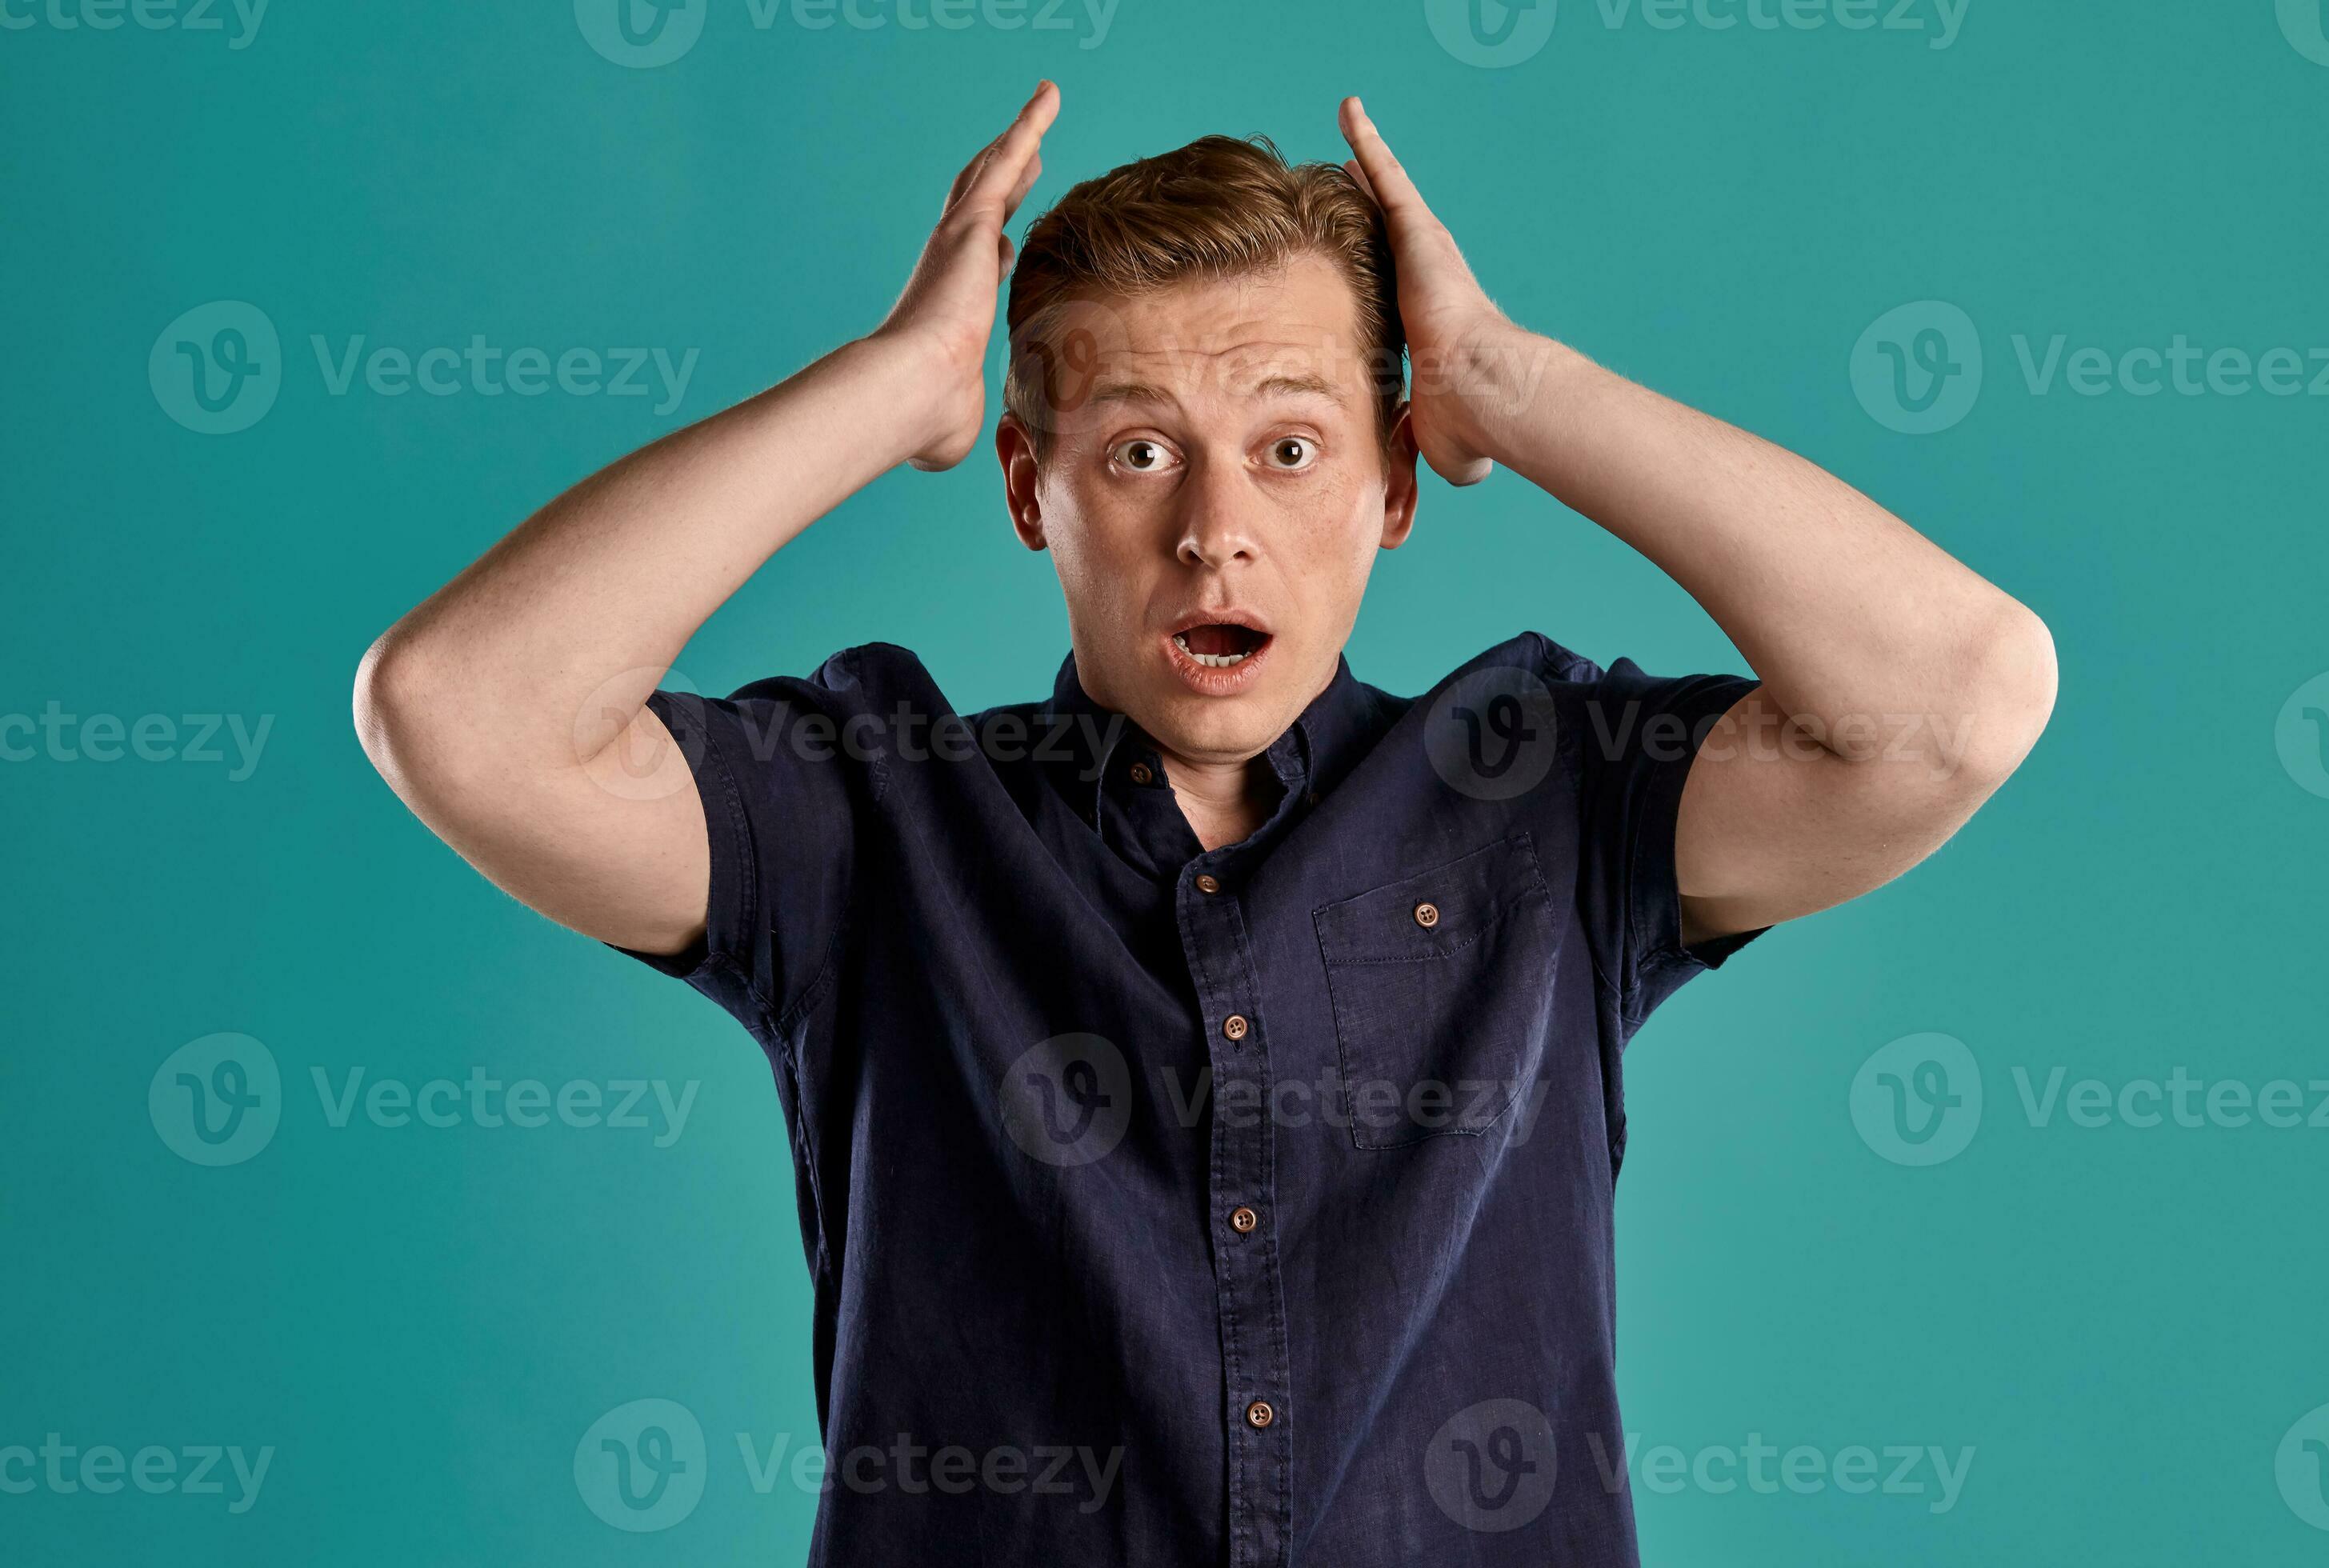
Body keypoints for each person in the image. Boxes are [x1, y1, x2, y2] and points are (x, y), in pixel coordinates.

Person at [354, 81, 2055, 1566]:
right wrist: (898, 388)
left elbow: (1961, 698)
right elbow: (457, 712)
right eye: (1139, 451)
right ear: (1029, 488)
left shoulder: (1549, 791)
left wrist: (1508, 381)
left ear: (1398, 481)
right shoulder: (872, 814)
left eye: (1294, 446)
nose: (1217, 529)